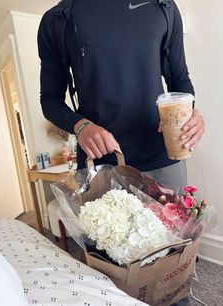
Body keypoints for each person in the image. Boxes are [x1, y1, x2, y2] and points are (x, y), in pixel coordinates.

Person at [38, 1, 204, 303]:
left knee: (174, 272)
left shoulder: (162, 7)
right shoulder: (58, 19)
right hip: (101, 168)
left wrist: (192, 112)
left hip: (162, 157)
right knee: (113, 279)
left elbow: (180, 80)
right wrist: (81, 125)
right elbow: (50, 99)